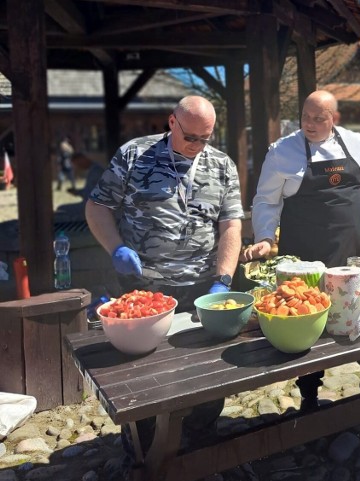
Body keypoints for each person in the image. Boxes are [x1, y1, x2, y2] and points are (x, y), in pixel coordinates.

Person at [85, 95, 244, 465]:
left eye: (207, 138)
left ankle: (202, 440)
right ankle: (142, 447)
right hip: (144, 289)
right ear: (171, 122)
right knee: (141, 376)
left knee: (207, 370)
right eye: (192, 138)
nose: (199, 147)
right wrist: (115, 248)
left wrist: (224, 278)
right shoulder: (134, 155)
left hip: (200, 287)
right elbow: (97, 207)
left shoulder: (221, 165)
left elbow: (231, 224)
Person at [243, 90, 360, 409]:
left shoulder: (355, 142)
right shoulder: (282, 151)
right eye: (305, 117)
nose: (309, 124)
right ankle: (309, 391)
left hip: (355, 247)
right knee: (307, 317)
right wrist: (266, 237)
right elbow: (267, 200)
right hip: (307, 254)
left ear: (333, 118)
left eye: (318, 118)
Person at [55, 153, 105, 220]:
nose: (78, 167)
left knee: (61, 210)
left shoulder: (96, 171)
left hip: (95, 207)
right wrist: (77, 192)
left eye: (77, 164)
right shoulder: (93, 170)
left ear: (82, 159)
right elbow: (89, 192)